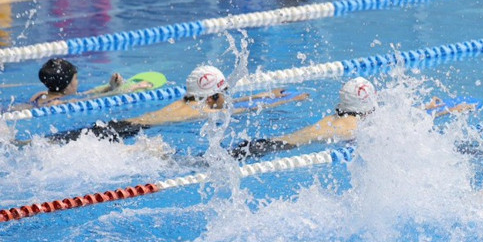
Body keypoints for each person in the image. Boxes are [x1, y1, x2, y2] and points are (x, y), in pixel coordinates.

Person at [229, 76, 475, 159]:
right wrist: (447, 111)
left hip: (268, 143)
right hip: (274, 147)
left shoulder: (337, 119)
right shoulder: (355, 128)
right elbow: (407, 123)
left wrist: (428, 107)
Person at [44, 64, 302, 143]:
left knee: (58, 140)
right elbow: (242, 109)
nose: (227, 96)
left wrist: (265, 93)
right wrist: (276, 101)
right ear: (211, 96)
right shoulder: (203, 110)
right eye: (224, 92)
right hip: (129, 131)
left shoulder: (187, 101)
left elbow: (231, 103)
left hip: (122, 124)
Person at [25, 57, 126, 107]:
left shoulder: (39, 95)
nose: (78, 82)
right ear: (67, 85)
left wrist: (110, 86)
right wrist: (116, 91)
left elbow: (87, 93)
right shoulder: (60, 103)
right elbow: (93, 98)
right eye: (76, 79)